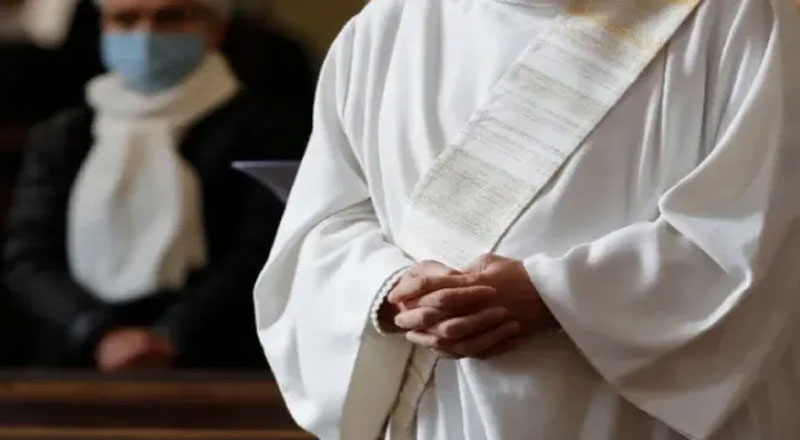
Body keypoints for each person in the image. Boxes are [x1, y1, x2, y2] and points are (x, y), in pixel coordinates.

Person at [254, 0, 800, 439]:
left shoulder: (736, 16)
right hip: (438, 408)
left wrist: (556, 296)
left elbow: (759, 232)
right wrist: (392, 293)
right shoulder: (387, 25)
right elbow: (324, 226)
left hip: (628, 415)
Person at [3, 0, 308, 371]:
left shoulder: (269, 132)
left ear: (215, 30)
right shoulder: (64, 135)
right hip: (77, 361)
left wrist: (171, 335)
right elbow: (29, 257)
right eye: (125, 19)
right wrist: (99, 333)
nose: (145, 34)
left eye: (171, 17)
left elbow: (263, 253)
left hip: (219, 363)